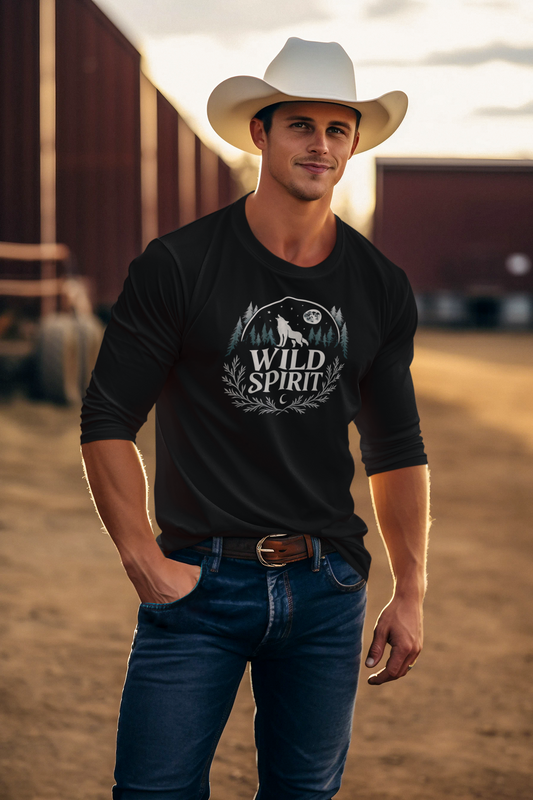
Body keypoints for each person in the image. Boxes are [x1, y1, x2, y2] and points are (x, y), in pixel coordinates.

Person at [81, 37, 430, 800]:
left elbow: (395, 448)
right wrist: (141, 558)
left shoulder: (378, 285)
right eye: (300, 125)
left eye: (337, 129)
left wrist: (408, 589)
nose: (320, 144)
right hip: (198, 586)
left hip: (325, 588)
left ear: (353, 145)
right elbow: (107, 416)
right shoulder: (178, 265)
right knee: (152, 792)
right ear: (259, 133)